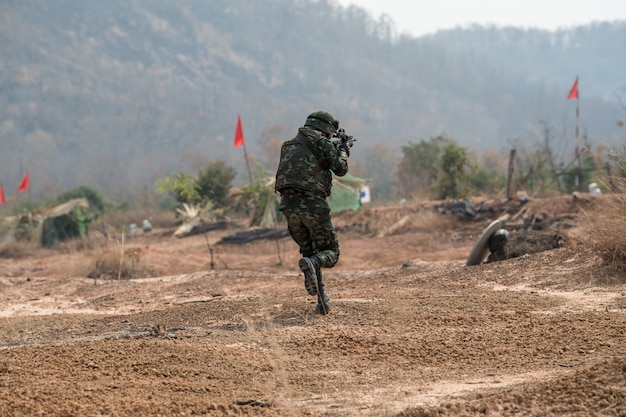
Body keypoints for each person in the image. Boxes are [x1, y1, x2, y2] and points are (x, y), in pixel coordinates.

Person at [274, 110, 351, 315]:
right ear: (326, 129)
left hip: (289, 208)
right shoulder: (323, 144)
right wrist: (343, 149)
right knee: (330, 253)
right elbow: (341, 168)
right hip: (313, 206)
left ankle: (322, 301)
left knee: (309, 253)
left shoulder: (287, 145)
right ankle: (315, 272)